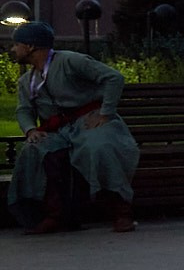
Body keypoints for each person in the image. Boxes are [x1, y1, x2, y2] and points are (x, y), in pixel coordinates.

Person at [8, 22, 141, 235]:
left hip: (89, 121)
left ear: (30, 46)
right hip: (59, 130)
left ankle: (121, 211)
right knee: (35, 150)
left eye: (16, 44)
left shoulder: (70, 61)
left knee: (98, 146)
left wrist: (105, 113)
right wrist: (31, 130)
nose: (13, 49)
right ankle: (54, 215)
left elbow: (113, 78)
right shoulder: (27, 81)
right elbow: (24, 110)